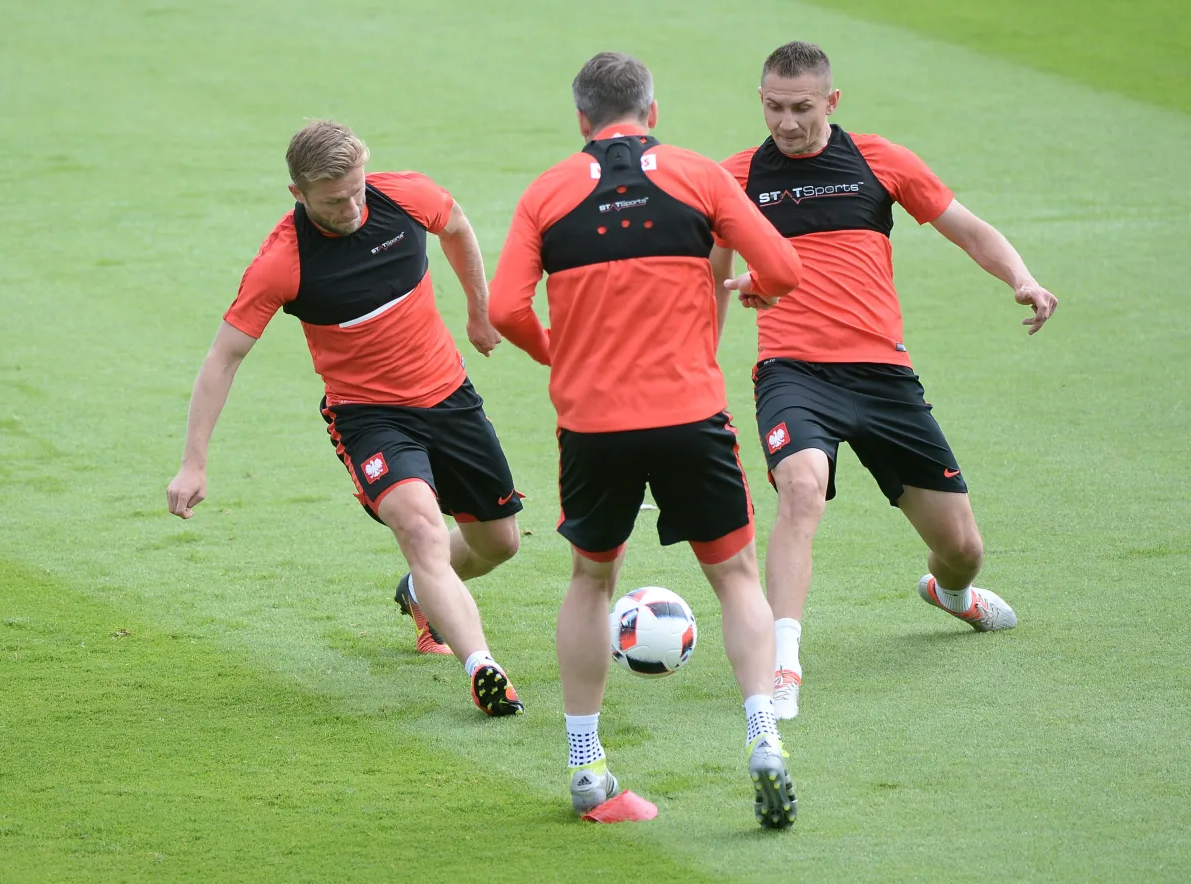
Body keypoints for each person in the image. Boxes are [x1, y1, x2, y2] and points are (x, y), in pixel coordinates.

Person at [489, 53, 804, 827]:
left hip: (593, 425)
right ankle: (764, 737)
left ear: (582, 122)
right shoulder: (698, 175)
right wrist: (759, 289)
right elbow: (783, 268)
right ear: (652, 113)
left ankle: (586, 765)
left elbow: (503, 310)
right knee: (736, 577)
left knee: (591, 581)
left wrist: (556, 352)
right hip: (691, 416)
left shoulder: (546, 193)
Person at [711, 42, 1059, 721]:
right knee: (800, 489)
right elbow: (711, 279)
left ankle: (950, 595)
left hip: (884, 380)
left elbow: (967, 230)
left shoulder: (879, 160)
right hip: (793, 374)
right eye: (775, 107)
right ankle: (782, 663)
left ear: (831, 103)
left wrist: (1022, 277)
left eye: (802, 108)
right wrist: (698, 356)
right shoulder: (737, 179)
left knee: (962, 549)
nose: (786, 123)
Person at [166, 120, 526, 717]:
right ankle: (483, 666)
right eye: (335, 200)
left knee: (500, 543)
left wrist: (478, 313)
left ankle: (421, 593)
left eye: (358, 189)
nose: (354, 206)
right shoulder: (282, 263)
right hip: (370, 417)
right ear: (298, 195)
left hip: (449, 396)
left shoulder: (405, 195)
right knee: (420, 530)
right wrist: (193, 463)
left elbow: (457, 227)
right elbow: (222, 358)